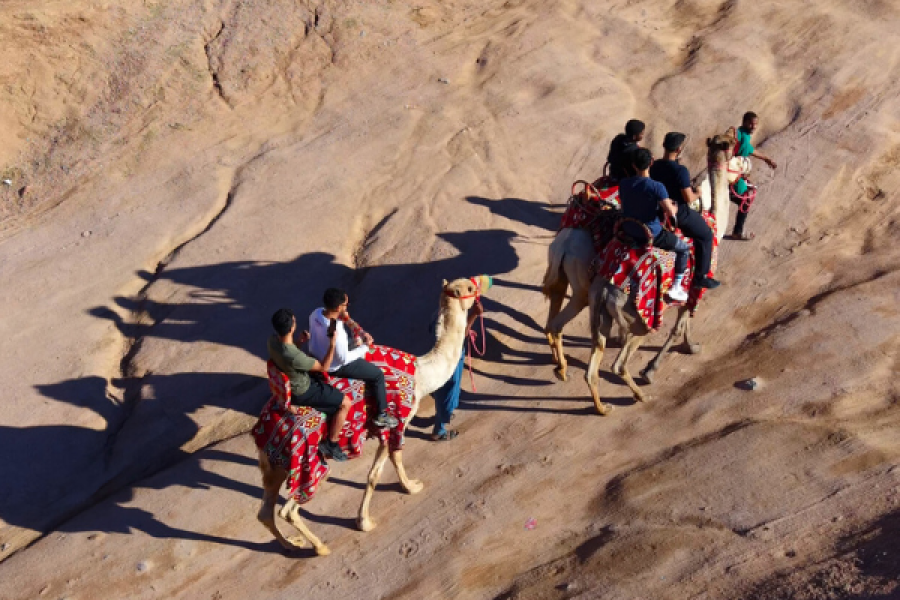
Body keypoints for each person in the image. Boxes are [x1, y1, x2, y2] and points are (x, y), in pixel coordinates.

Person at [308, 288, 399, 429]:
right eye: (345, 305)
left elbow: (343, 320)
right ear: (338, 307)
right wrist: (365, 348)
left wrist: (356, 329)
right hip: (334, 366)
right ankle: (382, 414)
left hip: (317, 354)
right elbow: (344, 359)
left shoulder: (316, 313)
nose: (346, 308)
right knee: (378, 375)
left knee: (354, 342)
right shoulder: (337, 331)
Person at [269, 308, 350, 461]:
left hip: (291, 376)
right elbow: (324, 367)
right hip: (302, 390)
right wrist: (332, 344)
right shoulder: (296, 356)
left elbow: (288, 355)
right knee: (345, 403)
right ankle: (331, 444)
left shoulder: (272, 341)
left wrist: (299, 342)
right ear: (292, 327)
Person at [648, 132, 720, 289]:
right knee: (706, 234)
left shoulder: (655, 165)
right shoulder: (681, 171)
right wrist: (698, 193)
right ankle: (700, 277)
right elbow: (688, 198)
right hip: (678, 212)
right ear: (679, 149)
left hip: (657, 209)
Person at [618, 148, 691, 302]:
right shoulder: (657, 187)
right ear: (651, 163)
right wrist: (674, 206)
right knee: (684, 248)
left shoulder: (624, 183)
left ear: (633, 165)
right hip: (651, 233)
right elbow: (671, 213)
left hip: (628, 229)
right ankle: (676, 287)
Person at [430, 301, 484, 441]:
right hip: (449, 359)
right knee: (449, 392)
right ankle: (439, 430)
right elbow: (458, 334)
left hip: (446, 356)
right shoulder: (450, 315)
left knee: (446, 390)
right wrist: (474, 315)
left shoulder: (443, 310)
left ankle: (443, 415)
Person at [729, 111, 778, 240]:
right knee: (746, 199)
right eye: (750, 123)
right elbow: (741, 147)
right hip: (731, 175)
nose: (753, 126)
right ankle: (737, 231)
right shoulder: (740, 136)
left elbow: (750, 150)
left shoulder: (743, 134)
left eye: (755, 124)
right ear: (744, 122)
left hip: (733, 173)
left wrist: (767, 159)